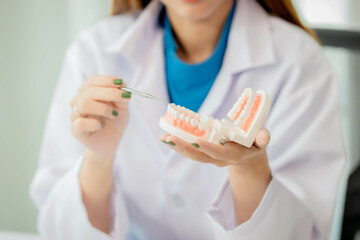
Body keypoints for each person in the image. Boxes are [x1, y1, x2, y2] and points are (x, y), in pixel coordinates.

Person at [30, 0, 345, 239]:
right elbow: (60, 229)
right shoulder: (93, 51)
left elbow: (304, 233)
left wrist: (249, 169)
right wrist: (98, 158)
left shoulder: (300, 63)